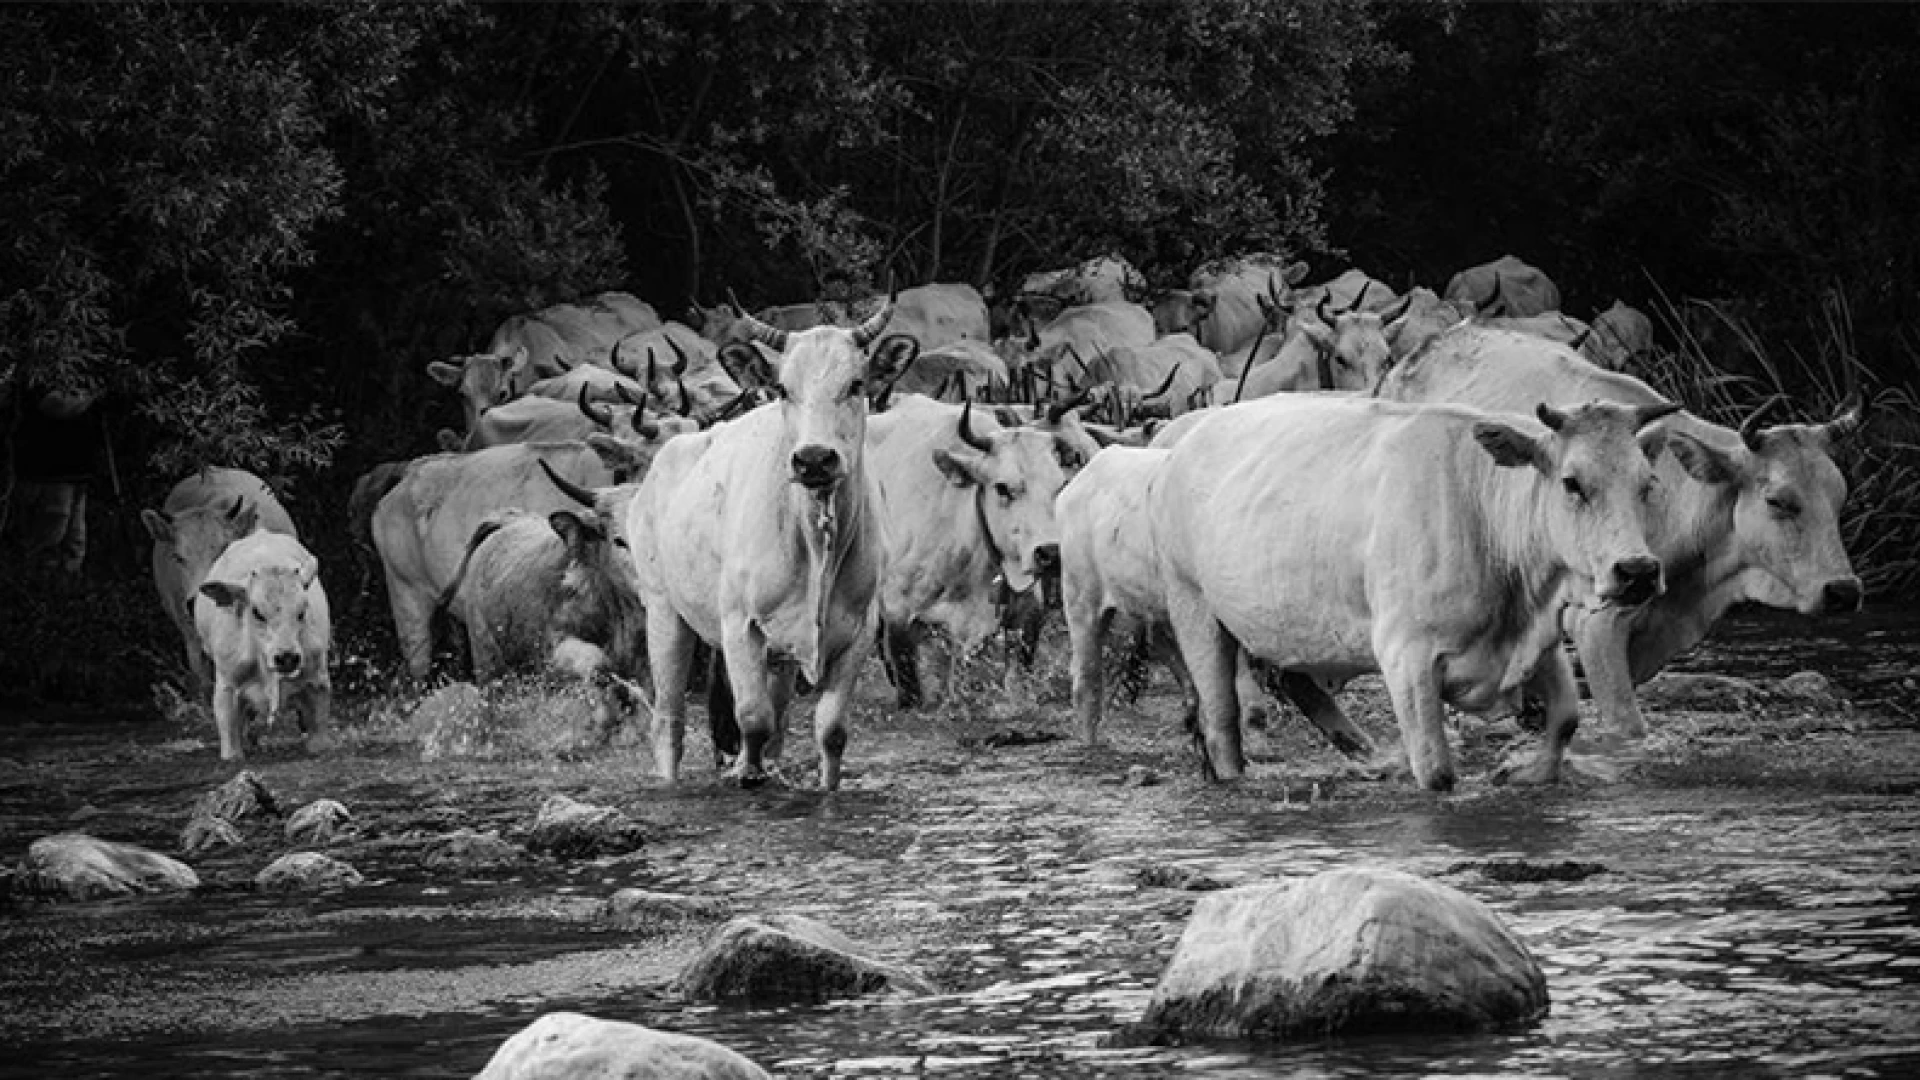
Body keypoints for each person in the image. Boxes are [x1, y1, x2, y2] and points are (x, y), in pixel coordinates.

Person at [3, 379, 105, 576]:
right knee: (52, 531)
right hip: (48, 470)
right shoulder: (41, 370)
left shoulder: (82, 372)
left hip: (76, 469)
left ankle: (67, 585)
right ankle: (37, 583)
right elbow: (56, 405)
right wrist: (93, 393)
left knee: (75, 537)